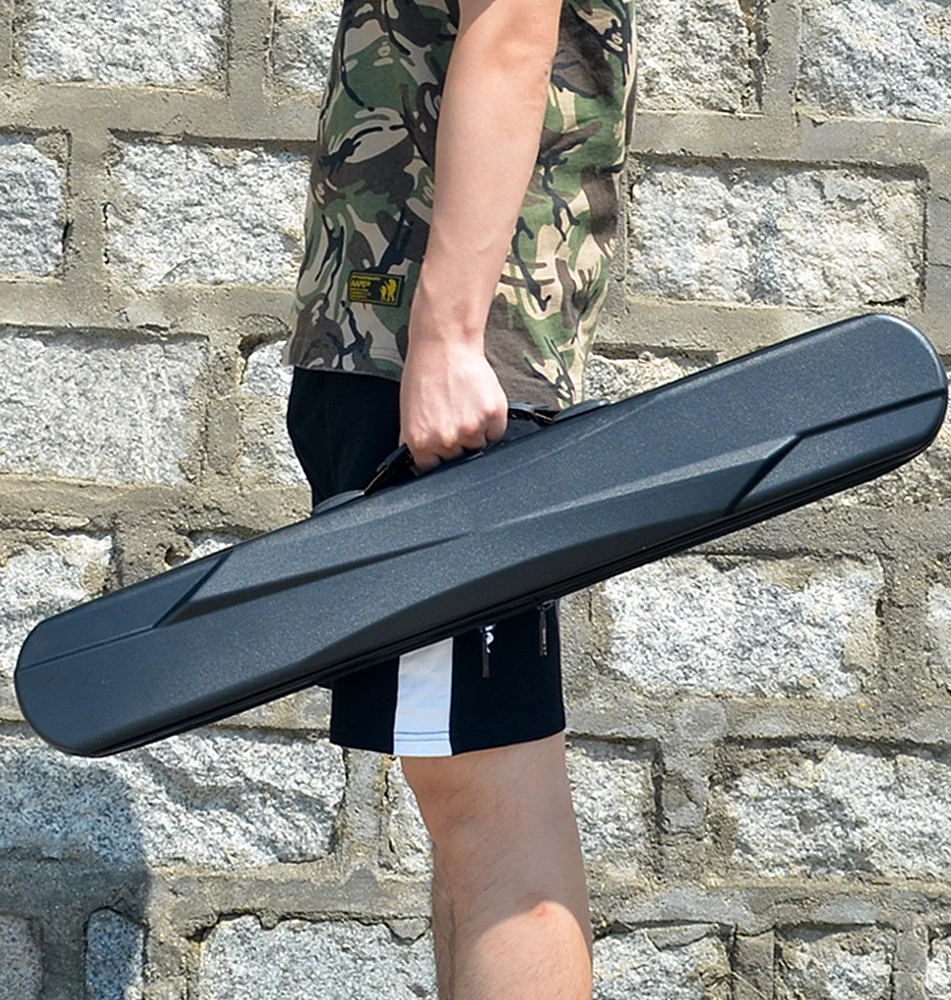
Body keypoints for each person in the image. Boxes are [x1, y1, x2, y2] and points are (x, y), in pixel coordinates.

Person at [283, 1, 637, 996]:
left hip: (433, 361)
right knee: (469, 796)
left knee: (494, 810)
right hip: (405, 344)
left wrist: (444, 338)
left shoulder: (440, 351)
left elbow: (512, 31)